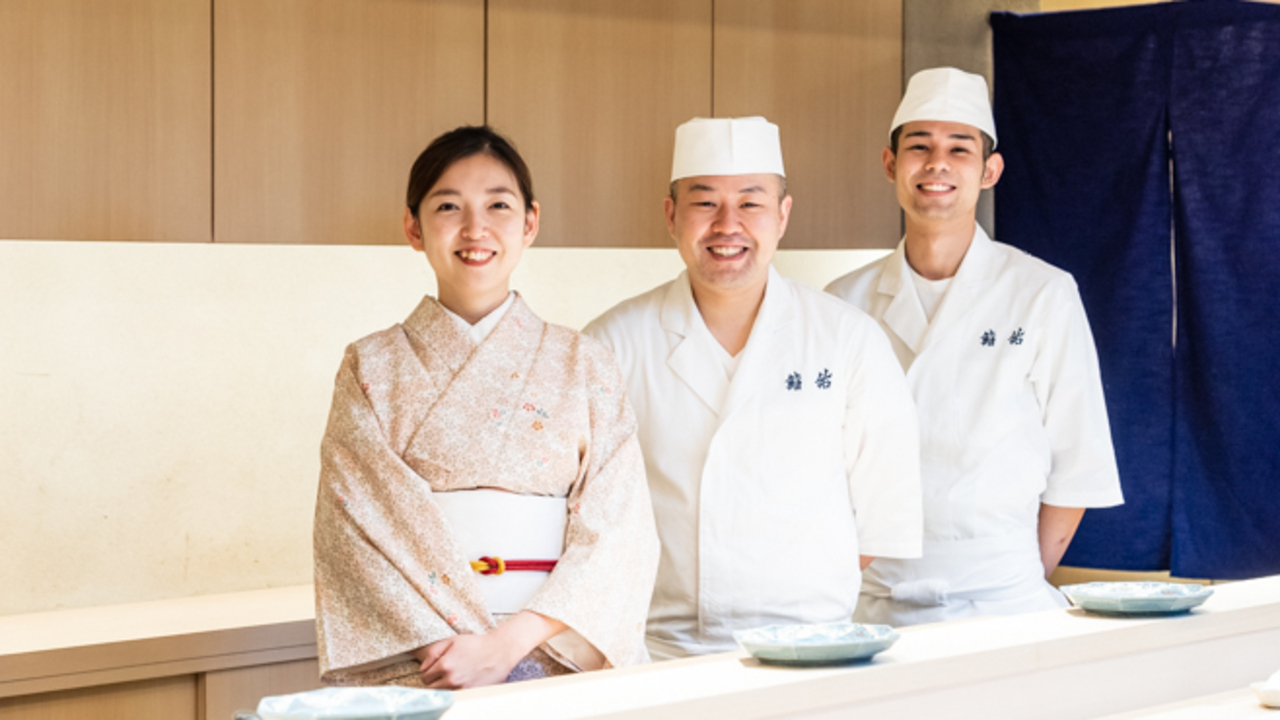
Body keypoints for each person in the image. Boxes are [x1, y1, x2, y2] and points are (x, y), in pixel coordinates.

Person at [313, 126, 659, 688]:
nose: (475, 229)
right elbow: (355, 529)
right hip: (424, 660)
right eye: (448, 206)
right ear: (412, 227)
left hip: (554, 649)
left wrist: (506, 646)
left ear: (530, 223)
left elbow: (620, 530)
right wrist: (454, 652)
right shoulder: (369, 366)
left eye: (498, 205)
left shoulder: (586, 362)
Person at [585, 117, 922, 659]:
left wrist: (794, 596)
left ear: (783, 215)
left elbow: (885, 512)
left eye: (750, 203)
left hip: (817, 649)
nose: (727, 225)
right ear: (671, 216)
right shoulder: (611, 345)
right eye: (704, 203)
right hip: (659, 653)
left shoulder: (847, 339)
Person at [826, 67, 1125, 626]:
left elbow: (1077, 458)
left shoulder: (1043, 292)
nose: (937, 164)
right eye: (919, 146)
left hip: (1002, 594)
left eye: (958, 149)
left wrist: (1016, 574)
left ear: (990, 171)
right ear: (890, 164)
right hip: (871, 599)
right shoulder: (842, 303)